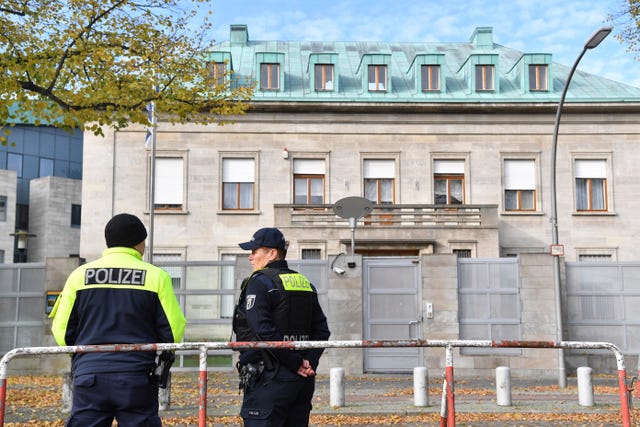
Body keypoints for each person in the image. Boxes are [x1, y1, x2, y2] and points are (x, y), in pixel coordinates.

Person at [49, 213, 186, 427]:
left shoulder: (79, 275)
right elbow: (173, 332)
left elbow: (62, 332)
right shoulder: (156, 276)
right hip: (137, 376)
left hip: (90, 375)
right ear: (139, 243)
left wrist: (85, 357)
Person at [233, 227, 331, 427]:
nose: (250, 257)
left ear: (272, 253)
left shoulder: (259, 282)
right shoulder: (304, 282)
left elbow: (262, 330)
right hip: (301, 381)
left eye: (254, 252)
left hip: (269, 377)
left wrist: (295, 364)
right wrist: (308, 362)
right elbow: (321, 330)